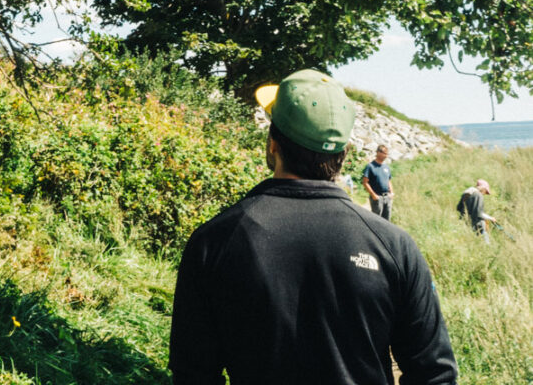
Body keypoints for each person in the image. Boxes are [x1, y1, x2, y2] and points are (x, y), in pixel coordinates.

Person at [169, 68, 458, 385]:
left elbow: (193, 372)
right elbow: (434, 373)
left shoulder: (215, 241)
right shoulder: (393, 245)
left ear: (272, 144)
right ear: (344, 155)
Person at [362, 143, 395, 220]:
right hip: (377, 198)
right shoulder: (370, 166)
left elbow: (388, 181)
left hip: (387, 197)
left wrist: (392, 193)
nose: (386, 156)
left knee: (387, 220)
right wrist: (373, 195)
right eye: (384, 153)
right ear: (378, 153)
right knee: (376, 220)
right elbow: (365, 182)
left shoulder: (386, 167)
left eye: (387, 154)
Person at [457, 179, 495, 243]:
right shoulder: (478, 195)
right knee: (486, 247)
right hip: (478, 227)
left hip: (465, 225)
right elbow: (479, 214)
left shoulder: (466, 194)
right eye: (486, 191)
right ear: (483, 188)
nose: (485, 193)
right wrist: (491, 218)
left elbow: (458, 208)